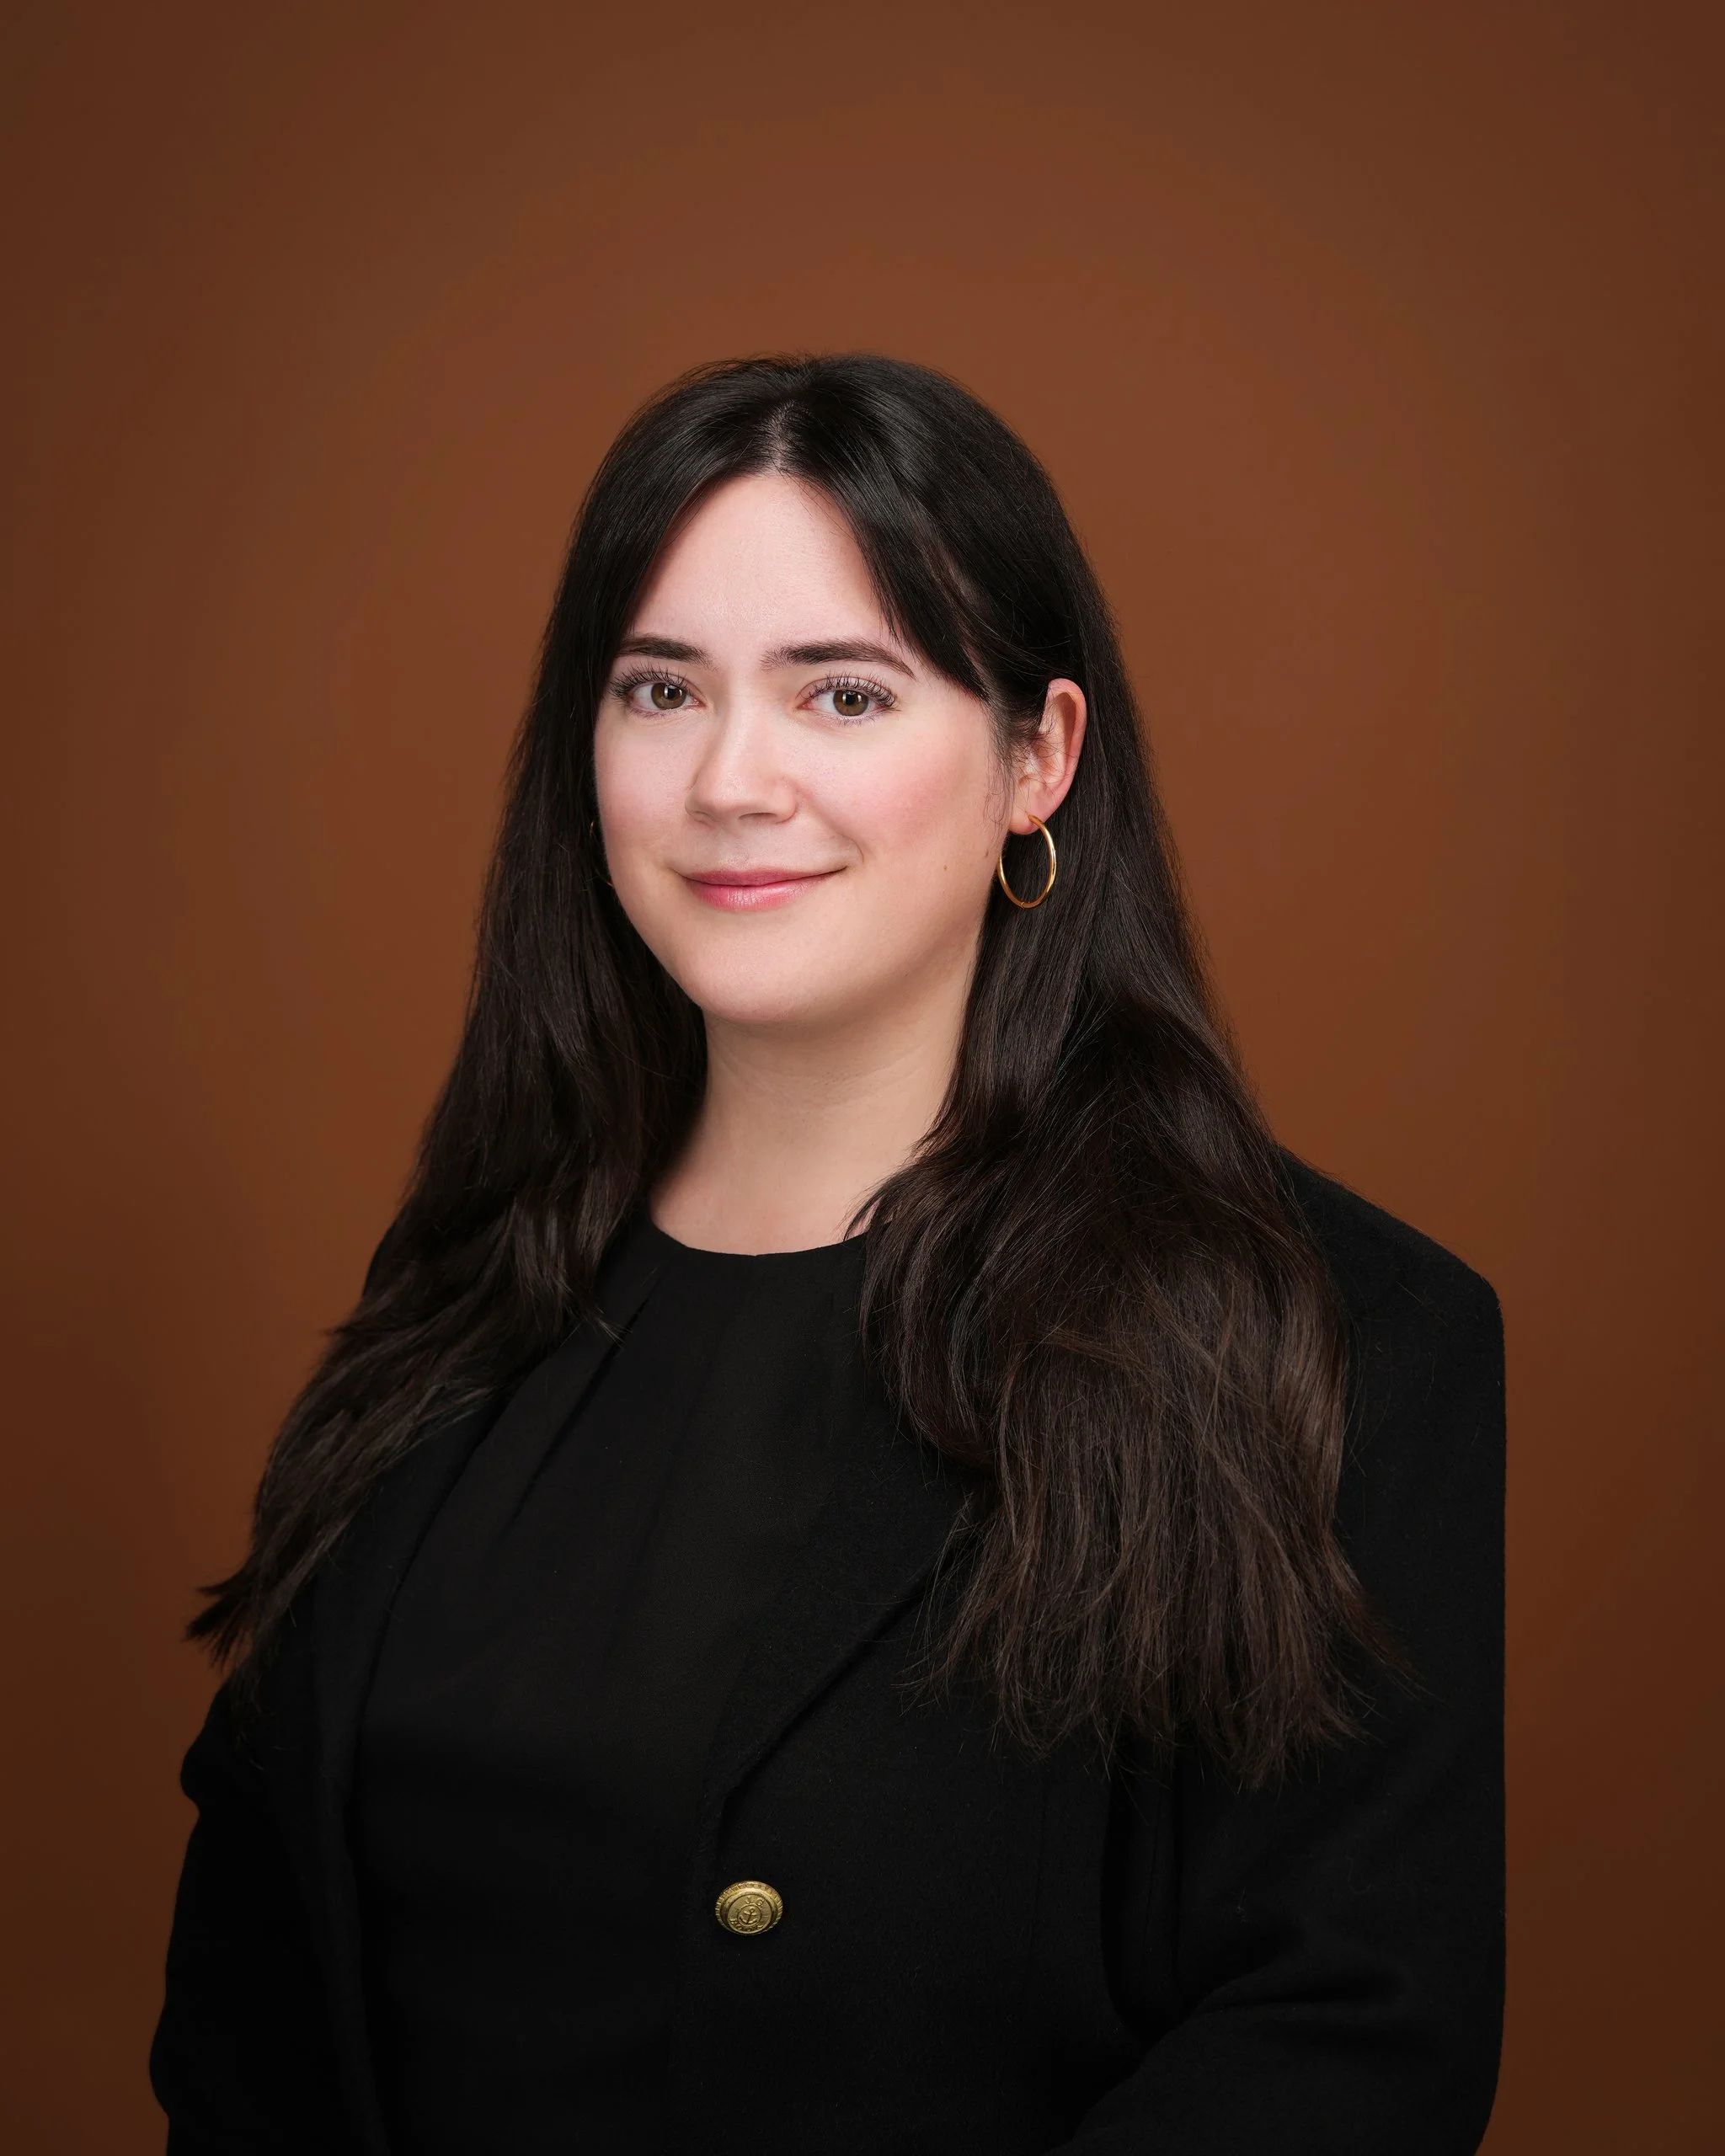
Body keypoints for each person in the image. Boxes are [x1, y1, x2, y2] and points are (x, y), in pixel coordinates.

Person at [149, 351, 1506, 2155]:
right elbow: (250, 2007)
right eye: (659, 690)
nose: (731, 778)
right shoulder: (463, 1290)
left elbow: (1342, 2035)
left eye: (843, 694)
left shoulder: (1340, 1332)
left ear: (1038, 757)